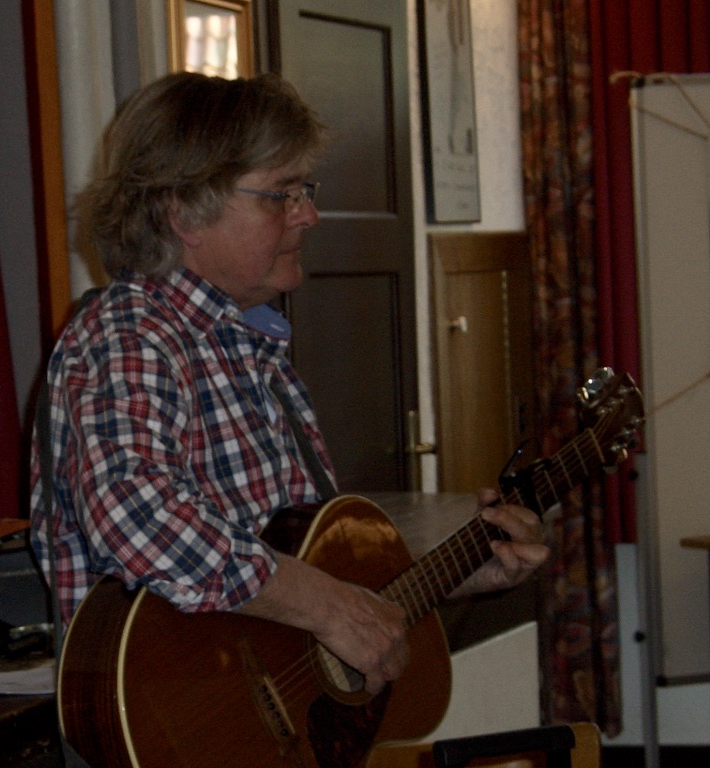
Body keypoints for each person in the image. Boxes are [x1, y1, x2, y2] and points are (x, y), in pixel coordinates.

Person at [29, 70, 548, 710]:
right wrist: (326, 605)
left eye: (305, 191)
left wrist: (462, 571)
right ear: (182, 212)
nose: (308, 215)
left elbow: (297, 572)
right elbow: (136, 515)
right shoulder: (131, 335)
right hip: (177, 722)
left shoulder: (250, 346)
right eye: (281, 194)